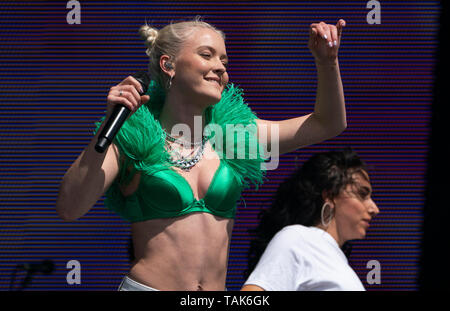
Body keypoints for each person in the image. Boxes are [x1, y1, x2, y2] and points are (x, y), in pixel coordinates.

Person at [55, 16, 348, 291]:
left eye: (224, 60)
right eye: (207, 55)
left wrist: (327, 62)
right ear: (168, 65)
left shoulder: (235, 135)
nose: (221, 67)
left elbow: (327, 124)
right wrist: (109, 126)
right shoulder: (134, 135)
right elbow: (70, 208)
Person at [241, 148, 379, 291]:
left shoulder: (337, 262)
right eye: (362, 194)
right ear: (330, 196)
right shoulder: (297, 238)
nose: (375, 209)